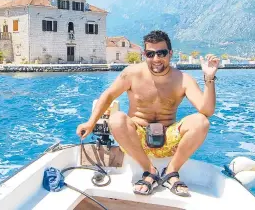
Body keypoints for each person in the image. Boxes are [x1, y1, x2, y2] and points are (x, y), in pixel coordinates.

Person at [76, 30, 219, 197]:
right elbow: (108, 95)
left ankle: (171, 171)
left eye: (161, 53)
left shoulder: (183, 79)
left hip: (169, 140)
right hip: (137, 139)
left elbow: (206, 110)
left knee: (201, 122)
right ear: (144, 55)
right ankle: (149, 170)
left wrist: (209, 79)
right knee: (117, 119)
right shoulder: (132, 73)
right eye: (150, 54)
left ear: (170, 53)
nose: (156, 59)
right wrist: (90, 123)